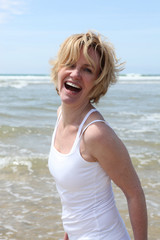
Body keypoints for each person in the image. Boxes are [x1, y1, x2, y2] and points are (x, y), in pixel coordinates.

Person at [48, 31, 148, 240]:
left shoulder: (95, 134)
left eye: (87, 69)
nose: (75, 74)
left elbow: (134, 193)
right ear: (58, 69)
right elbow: (76, 195)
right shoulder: (60, 115)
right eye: (70, 64)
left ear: (97, 82)